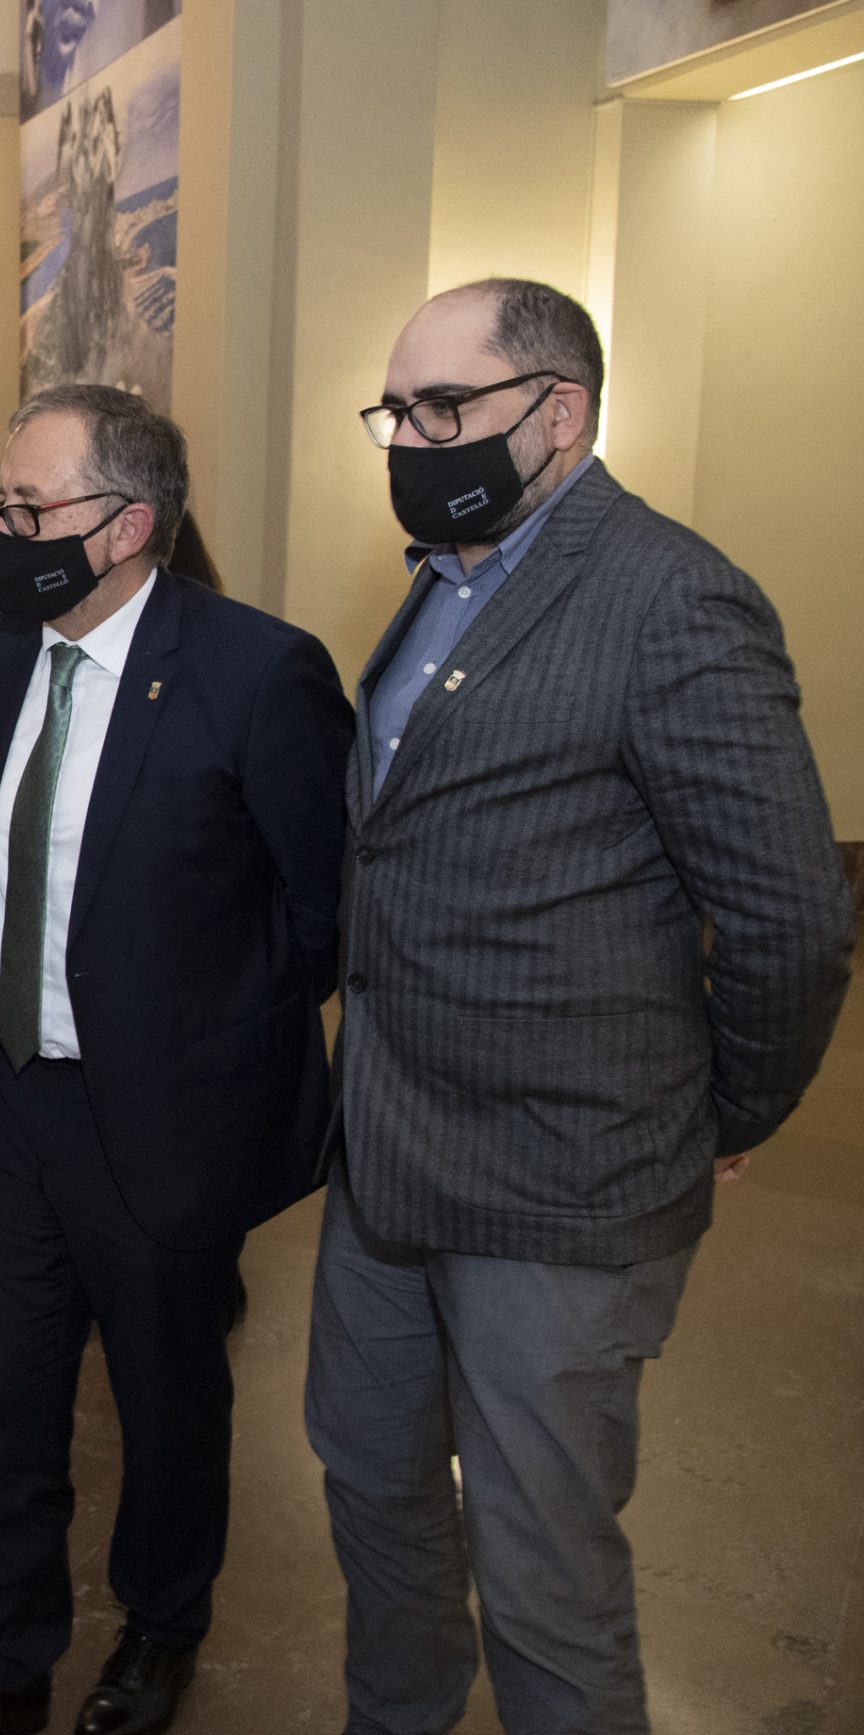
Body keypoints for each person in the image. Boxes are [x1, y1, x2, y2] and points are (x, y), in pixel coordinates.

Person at [311, 278, 852, 1735]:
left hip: (561, 1185)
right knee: (373, 1495)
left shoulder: (671, 594)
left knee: (546, 1579)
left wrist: (715, 1113)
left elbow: (795, 918)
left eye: (446, 409)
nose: (412, 441)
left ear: (562, 410)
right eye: (396, 411)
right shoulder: (445, 570)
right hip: (390, 1158)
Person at [0, 385, 351, 1735]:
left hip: (159, 1117)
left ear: (129, 526)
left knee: (166, 1396)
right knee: (9, 1388)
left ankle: (162, 1627)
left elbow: (325, 912)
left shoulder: (257, 670)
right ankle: (1, 1658)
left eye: (31, 509)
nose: (5, 531)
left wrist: (202, 1047)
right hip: (2, 1097)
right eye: (0, 503)